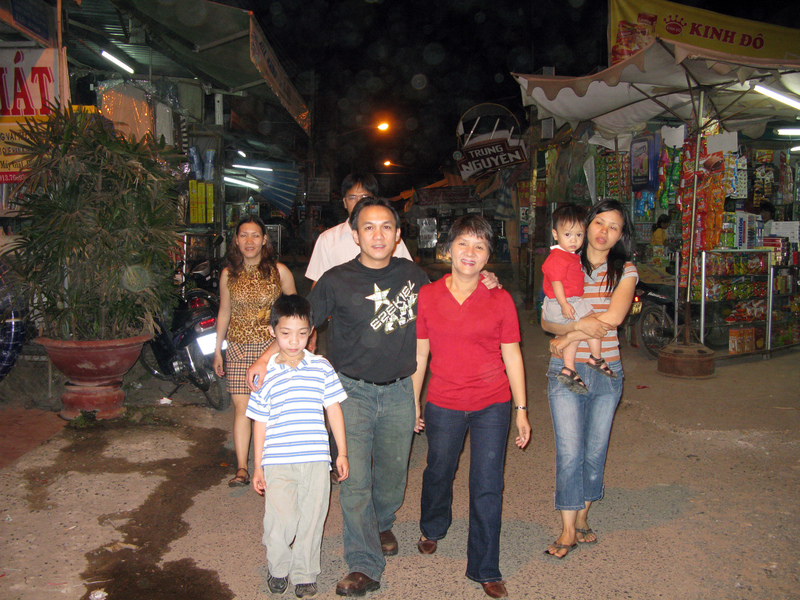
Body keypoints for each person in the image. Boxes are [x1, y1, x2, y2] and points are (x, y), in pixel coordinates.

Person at [247, 197, 430, 596]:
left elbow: (449, 306)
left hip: (400, 390)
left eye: (386, 227)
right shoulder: (336, 279)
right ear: (355, 235)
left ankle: (381, 522)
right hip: (351, 393)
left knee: (392, 477)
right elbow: (298, 324)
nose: (378, 235)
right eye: (368, 227)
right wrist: (264, 359)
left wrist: (485, 279)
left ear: (398, 235)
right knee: (355, 481)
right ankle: (364, 563)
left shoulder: (414, 276)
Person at [412, 215, 531, 599]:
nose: (470, 252)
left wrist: (521, 410)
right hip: (444, 402)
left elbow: (512, 355)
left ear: (488, 256)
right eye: (463, 243)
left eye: (479, 246)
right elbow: (421, 353)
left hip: (491, 403)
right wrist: (414, 400)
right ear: (448, 249)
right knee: (439, 470)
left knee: (487, 484)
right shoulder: (429, 295)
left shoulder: (500, 299)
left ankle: (485, 566)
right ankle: (433, 526)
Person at [541, 199, 637, 559]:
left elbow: (613, 318)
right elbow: (546, 319)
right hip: (566, 372)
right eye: (599, 222)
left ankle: (583, 515)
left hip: (606, 374)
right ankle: (567, 529)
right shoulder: (566, 259)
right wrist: (568, 330)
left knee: (594, 452)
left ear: (620, 235)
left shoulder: (625, 270)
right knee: (570, 452)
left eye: (614, 227)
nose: (603, 231)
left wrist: (570, 334)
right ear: (587, 224)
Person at [246, 294, 349, 599]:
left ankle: (305, 572)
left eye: (302, 333)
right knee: (280, 519)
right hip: (278, 461)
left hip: (316, 460)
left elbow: (334, 410)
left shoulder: (321, 367)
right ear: (272, 332)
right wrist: (258, 465)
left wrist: (341, 452)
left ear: (311, 332)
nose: (294, 341)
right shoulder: (264, 374)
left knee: (312, 519)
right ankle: (278, 567)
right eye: (286, 333)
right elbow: (259, 422)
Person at [213, 215, 296, 487]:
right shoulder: (229, 274)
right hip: (237, 347)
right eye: (244, 235)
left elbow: (295, 311)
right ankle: (242, 468)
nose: (249, 241)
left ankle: (269, 464)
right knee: (242, 409)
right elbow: (224, 312)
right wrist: (218, 350)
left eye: (255, 235)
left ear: (264, 240)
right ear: (236, 241)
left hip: (272, 348)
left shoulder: (279, 272)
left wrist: (297, 342)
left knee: (272, 408)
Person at [541, 204, 615, 396]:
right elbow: (556, 282)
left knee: (575, 331)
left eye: (579, 235)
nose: (573, 240)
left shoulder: (569, 256)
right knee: (592, 322)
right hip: (565, 301)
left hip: (568, 301)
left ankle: (569, 368)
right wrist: (564, 304)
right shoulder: (558, 257)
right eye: (568, 234)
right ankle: (596, 358)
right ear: (555, 234)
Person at [304, 172, 411, 286]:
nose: (358, 202)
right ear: (345, 202)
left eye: (364, 197)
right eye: (352, 197)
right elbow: (318, 284)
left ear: (373, 200)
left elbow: (407, 275)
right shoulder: (328, 239)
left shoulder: (387, 237)